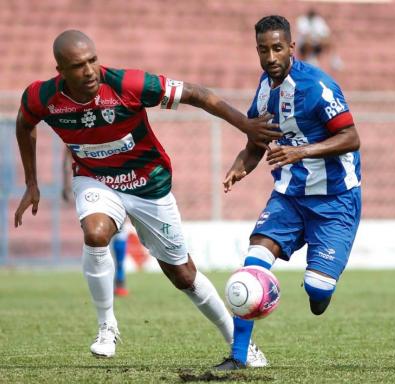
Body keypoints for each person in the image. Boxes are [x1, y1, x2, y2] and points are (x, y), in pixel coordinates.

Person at [14, 30, 282, 362]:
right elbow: (24, 124)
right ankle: (106, 326)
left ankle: (241, 345)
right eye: (78, 65)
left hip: (148, 183)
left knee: (183, 274)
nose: (89, 71)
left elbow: (197, 94)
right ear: (61, 71)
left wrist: (246, 125)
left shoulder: (130, 84)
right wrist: (31, 182)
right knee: (95, 234)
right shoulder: (42, 97)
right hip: (95, 179)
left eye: (92, 60)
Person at [214, 15, 361, 370]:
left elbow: (351, 138)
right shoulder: (264, 90)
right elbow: (256, 141)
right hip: (289, 196)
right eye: (263, 50)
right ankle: (239, 357)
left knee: (318, 293)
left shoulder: (317, 86)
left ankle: (320, 282)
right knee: (251, 268)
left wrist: (300, 151)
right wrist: (240, 166)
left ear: (291, 47)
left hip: (336, 198)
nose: (270, 57)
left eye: (277, 48)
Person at [64, 149, 130, 297]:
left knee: (119, 228)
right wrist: (66, 184)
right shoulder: (73, 129)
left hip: (114, 179)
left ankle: (119, 277)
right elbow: (68, 157)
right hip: (90, 183)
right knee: (95, 233)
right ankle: (103, 283)